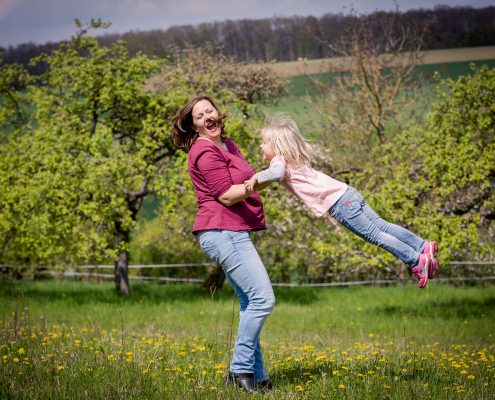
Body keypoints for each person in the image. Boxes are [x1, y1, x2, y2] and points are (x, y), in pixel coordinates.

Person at [245, 113, 440, 288]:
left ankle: (417, 261)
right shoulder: (292, 158)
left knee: (375, 235)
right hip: (347, 193)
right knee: (383, 226)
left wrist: (256, 177)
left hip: (340, 204)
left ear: (276, 145)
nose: (260, 145)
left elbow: (276, 173)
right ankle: (423, 246)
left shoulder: (278, 161)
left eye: (263, 142)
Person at [171, 95, 275, 392]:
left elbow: (249, 181)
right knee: (263, 299)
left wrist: (276, 173)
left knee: (249, 303)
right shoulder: (203, 151)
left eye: (210, 110)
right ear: (194, 126)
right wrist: (265, 178)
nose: (207, 116)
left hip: (233, 230)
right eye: (200, 115)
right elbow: (227, 195)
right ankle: (239, 371)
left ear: (218, 113)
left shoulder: (228, 146)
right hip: (220, 231)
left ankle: (257, 375)